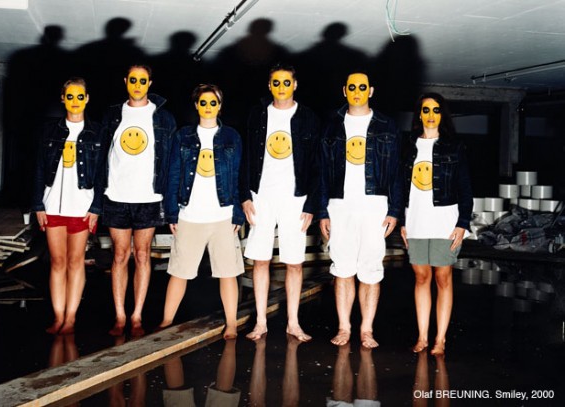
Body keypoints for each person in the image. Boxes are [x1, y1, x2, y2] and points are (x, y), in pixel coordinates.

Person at [319, 71, 402, 348]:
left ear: (371, 90)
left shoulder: (386, 125)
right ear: (345, 90)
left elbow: (396, 172)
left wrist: (394, 210)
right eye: (352, 87)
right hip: (339, 205)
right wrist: (322, 211)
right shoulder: (332, 124)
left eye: (362, 87)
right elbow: (322, 171)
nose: (357, 91)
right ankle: (344, 327)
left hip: (374, 205)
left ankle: (366, 329)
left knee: (370, 269)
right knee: (342, 268)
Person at [241, 63, 320, 342]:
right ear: (269, 85)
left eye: (287, 82)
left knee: (294, 262)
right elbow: (246, 156)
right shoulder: (258, 114)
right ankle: (261, 322)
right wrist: (245, 196)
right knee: (260, 260)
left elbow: (316, 164)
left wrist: (311, 205)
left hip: (295, 198)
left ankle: (293, 323)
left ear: (295, 85)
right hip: (261, 195)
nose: (281, 87)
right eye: (276, 82)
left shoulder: (308, 117)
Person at [159, 84, 245, 339]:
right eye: (203, 103)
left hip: (223, 216)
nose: (208, 107)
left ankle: (231, 323)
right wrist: (172, 212)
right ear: (196, 105)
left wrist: (238, 213)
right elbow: (173, 174)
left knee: (228, 273)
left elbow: (238, 176)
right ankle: (166, 321)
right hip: (190, 215)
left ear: (220, 106)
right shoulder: (183, 136)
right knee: (179, 271)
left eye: (213, 103)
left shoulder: (231, 136)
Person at [99, 64, 177, 337]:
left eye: (142, 80)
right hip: (116, 196)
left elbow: (170, 162)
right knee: (120, 255)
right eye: (133, 79)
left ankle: (137, 316)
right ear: (125, 81)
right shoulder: (112, 114)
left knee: (143, 255)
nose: (137, 85)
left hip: (149, 197)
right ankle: (120, 316)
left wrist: (170, 203)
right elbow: (102, 155)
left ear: (149, 83)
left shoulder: (163, 117)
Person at [399, 93, 473, 356]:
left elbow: (465, 188)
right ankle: (422, 337)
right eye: (426, 110)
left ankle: (440, 339)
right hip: (415, 220)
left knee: (443, 278)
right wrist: (402, 221)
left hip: (445, 221)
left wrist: (463, 223)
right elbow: (400, 186)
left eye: (436, 110)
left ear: (443, 115)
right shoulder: (408, 146)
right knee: (421, 277)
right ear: (419, 115)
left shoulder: (454, 146)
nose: (431, 115)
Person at [32, 77, 103, 334]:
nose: (75, 101)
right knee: (57, 262)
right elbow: (39, 168)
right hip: (52, 206)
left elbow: (101, 173)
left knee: (76, 261)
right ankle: (58, 316)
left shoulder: (97, 131)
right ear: (63, 99)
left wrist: (96, 208)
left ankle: (71, 318)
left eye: (80, 96)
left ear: (87, 99)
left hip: (81, 207)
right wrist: (38, 204)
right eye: (70, 96)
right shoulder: (49, 130)